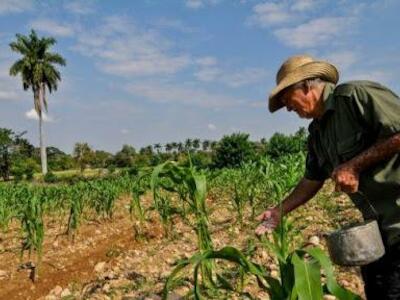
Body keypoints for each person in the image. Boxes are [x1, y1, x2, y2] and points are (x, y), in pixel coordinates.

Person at [255, 54, 400, 299]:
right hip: (379, 231)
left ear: (307, 85)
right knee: (377, 289)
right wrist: (279, 210)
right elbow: (312, 180)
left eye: (287, 99)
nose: (288, 108)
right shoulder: (317, 134)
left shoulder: (355, 97)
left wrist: (353, 165)